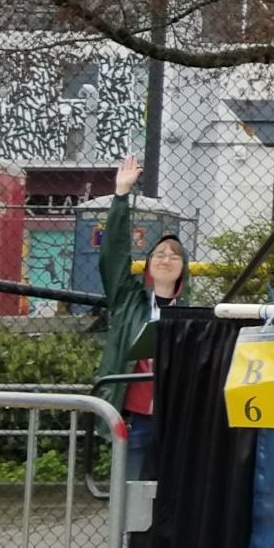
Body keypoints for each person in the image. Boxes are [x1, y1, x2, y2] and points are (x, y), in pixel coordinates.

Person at [93, 154, 187, 480]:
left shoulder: (192, 317)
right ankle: (130, 535)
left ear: (184, 270)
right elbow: (113, 256)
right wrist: (121, 196)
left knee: (168, 502)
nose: (166, 258)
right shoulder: (130, 303)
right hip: (136, 420)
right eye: (159, 253)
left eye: (175, 254)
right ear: (147, 265)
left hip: (176, 424)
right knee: (130, 500)